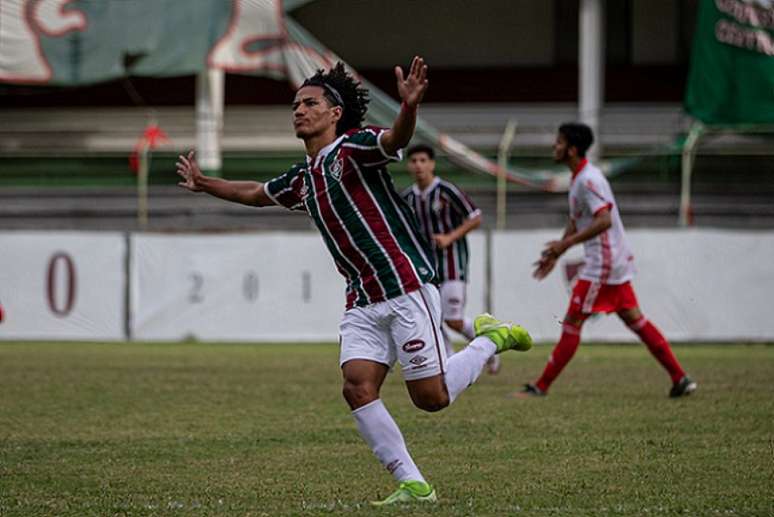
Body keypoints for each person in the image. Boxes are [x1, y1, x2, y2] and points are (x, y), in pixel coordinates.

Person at [176, 58, 533, 505]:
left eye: (310, 103)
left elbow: (394, 139)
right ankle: (413, 483)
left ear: (335, 113)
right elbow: (255, 193)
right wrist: (205, 183)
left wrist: (408, 108)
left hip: (404, 285)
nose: (299, 111)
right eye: (295, 105)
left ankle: (488, 340)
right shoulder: (303, 179)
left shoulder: (353, 149)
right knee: (357, 386)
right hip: (362, 299)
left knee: (432, 399)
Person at [519, 122, 696, 399]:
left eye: (559, 142)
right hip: (613, 261)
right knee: (635, 320)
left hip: (603, 263)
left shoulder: (589, 180)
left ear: (572, 149)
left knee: (572, 322)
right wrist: (558, 251)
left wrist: (565, 244)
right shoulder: (580, 179)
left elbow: (603, 220)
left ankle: (540, 387)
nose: (554, 146)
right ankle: (680, 377)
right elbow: (577, 219)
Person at [402, 145, 501, 373]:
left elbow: (475, 217)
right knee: (432, 320)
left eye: (423, 160)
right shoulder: (407, 197)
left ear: (432, 164)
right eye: (414, 160)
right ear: (409, 165)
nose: (418, 165)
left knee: (453, 320)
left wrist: (449, 237)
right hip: (425, 270)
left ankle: (491, 345)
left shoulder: (446, 191)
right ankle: (448, 364)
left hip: (453, 265)